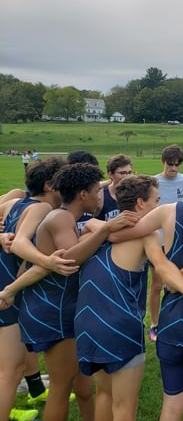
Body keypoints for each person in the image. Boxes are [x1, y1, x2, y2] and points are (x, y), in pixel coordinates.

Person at [73, 174, 183, 421]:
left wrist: (96, 225)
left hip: (87, 324)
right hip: (119, 326)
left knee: (104, 395)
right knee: (124, 406)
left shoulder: (95, 229)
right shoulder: (147, 235)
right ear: (141, 204)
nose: (159, 205)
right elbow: (162, 267)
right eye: (156, 200)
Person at [6, 163, 138, 421]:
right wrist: (106, 230)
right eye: (95, 191)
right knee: (60, 387)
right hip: (54, 310)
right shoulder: (60, 217)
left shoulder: (67, 218)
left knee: (83, 386)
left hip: (60, 307)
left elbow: (29, 266)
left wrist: (94, 229)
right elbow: (71, 260)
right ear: (83, 195)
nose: (100, 196)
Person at [0, 157, 72, 421]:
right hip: (8, 292)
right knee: (10, 369)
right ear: (50, 185)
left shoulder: (13, 203)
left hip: (8, 287)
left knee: (13, 364)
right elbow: (19, 244)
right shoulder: (41, 209)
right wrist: (48, 261)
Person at [148, 144, 183, 342]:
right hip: (158, 242)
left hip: (181, 241)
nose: (173, 168)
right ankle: (155, 324)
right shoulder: (153, 183)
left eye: (177, 165)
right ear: (162, 162)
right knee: (158, 284)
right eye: (170, 164)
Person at [95, 154, 133, 221]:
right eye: (122, 173)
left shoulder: (136, 193)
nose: (127, 176)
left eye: (129, 172)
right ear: (111, 174)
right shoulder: (101, 196)